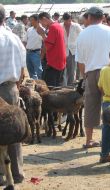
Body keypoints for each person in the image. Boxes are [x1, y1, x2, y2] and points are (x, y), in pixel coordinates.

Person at [75, 6, 110, 149]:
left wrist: (85, 76)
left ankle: (89, 140)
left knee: (91, 106)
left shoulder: (82, 34)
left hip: (91, 72)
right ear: (103, 18)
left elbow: (80, 61)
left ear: (89, 17)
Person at [0, 4, 26, 184]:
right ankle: (17, 174)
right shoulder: (14, 37)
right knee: (13, 132)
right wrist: (15, 87)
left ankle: (1, 176)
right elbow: (23, 70)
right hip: (11, 89)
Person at [37, 12, 66, 87]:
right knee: (58, 86)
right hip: (60, 60)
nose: (42, 25)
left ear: (44, 19)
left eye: (41, 23)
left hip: (54, 62)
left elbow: (47, 46)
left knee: (51, 87)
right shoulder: (58, 25)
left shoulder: (53, 27)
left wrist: (42, 34)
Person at [61, 12, 82, 86]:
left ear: (71, 19)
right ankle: (64, 86)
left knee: (72, 70)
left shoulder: (76, 26)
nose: (68, 22)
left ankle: (71, 86)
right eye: (66, 21)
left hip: (73, 51)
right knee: (63, 70)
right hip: (63, 50)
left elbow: (82, 36)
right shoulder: (60, 26)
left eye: (69, 20)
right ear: (63, 20)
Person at [24, 14, 43, 79]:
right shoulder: (29, 29)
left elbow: (44, 42)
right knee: (31, 71)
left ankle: (41, 85)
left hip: (36, 52)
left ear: (37, 20)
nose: (30, 22)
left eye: (32, 20)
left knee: (39, 71)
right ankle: (35, 84)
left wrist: (42, 54)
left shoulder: (42, 29)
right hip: (28, 52)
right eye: (30, 20)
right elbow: (25, 41)